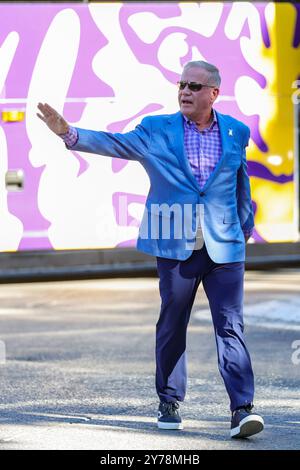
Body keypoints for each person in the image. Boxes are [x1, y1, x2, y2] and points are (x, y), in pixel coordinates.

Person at [37, 60, 264, 439]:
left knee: (231, 326)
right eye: (182, 85)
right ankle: (170, 399)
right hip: (176, 246)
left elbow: (240, 182)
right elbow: (116, 144)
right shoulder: (157, 130)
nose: (185, 92)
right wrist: (70, 133)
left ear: (214, 94)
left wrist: (245, 226)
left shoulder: (236, 131)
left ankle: (242, 409)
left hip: (225, 248)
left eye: (194, 86)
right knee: (173, 323)